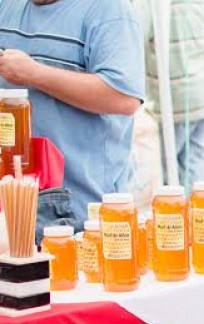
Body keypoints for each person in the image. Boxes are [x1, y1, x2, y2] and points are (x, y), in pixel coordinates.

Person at [0, 0, 144, 228]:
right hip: (12, 208)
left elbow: (123, 97)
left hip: (80, 215)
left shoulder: (109, 10)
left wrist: (34, 73)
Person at [141, 0, 204, 190]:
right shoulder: (199, 4)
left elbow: (139, 40)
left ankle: (178, 213)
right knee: (196, 157)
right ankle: (197, 210)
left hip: (173, 97)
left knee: (170, 166)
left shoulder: (152, 6)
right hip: (203, 92)